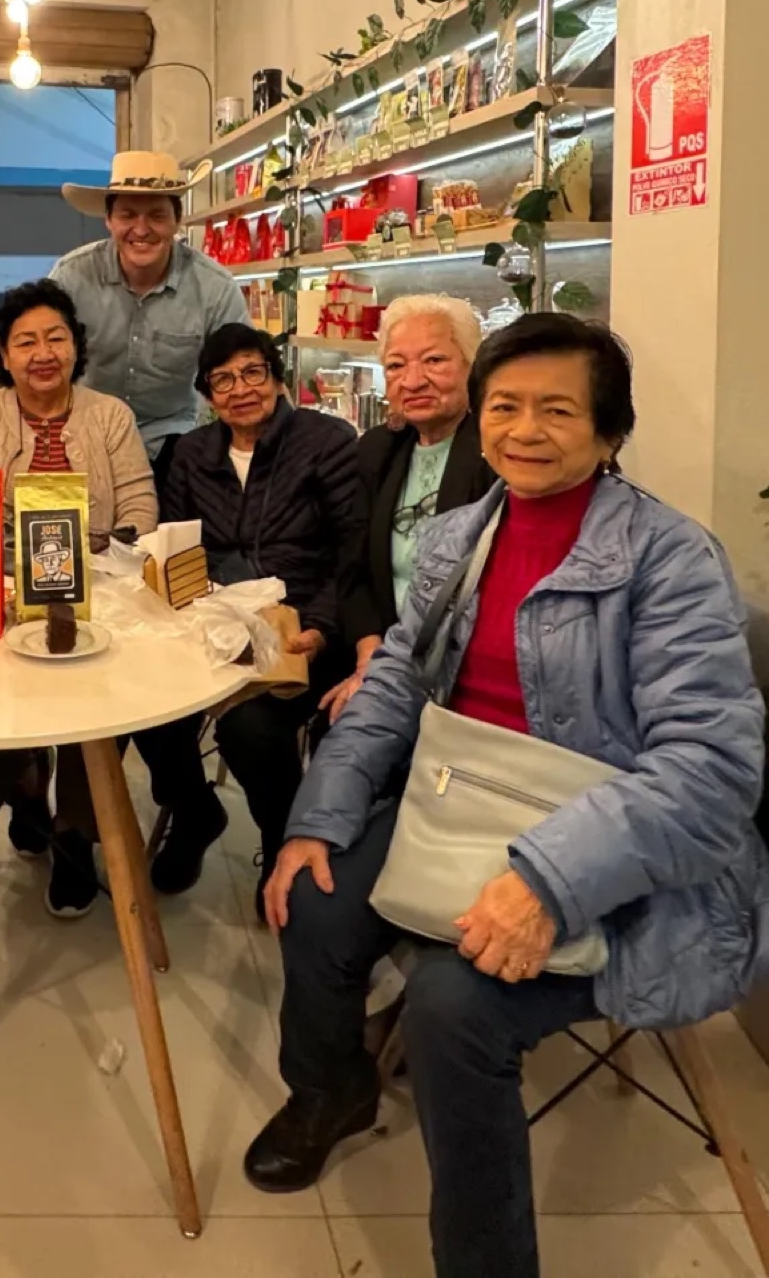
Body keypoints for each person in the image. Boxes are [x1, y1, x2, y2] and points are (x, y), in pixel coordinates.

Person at [243, 312, 769, 1278]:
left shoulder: (669, 558)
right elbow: (397, 685)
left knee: (451, 1003)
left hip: (611, 846)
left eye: (557, 409)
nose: (524, 429)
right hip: (464, 799)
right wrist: (318, 816)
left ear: (610, 431)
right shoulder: (460, 537)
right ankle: (331, 1092)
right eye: (506, 406)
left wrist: (549, 883)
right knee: (313, 900)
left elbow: (711, 772)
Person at [0, 278, 158, 918]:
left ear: (77, 349)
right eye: (25, 341)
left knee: (97, 702)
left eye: (56, 337)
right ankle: (27, 788)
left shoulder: (109, 416)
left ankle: (75, 832)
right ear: (3, 356)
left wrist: (108, 565)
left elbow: (139, 505)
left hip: (99, 591)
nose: (42, 352)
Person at [160, 325, 363, 914]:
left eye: (252, 372)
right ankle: (195, 813)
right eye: (222, 379)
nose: (239, 389)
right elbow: (176, 548)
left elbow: (351, 552)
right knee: (146, 711)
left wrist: (322, 626)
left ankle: (283, 840)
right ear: (207, 394)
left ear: (277, 378)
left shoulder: (326, 442)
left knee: (249, 729)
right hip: (213, 624)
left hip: (303, 628)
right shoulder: (192, 455)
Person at [0, 151, 250, 475]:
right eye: (127, 215)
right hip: (81, 434)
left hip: (171, 443)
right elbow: (33, 334)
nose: (141, 228)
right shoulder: (72, 275)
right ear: (108, 220)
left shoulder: (214, 287)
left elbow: (244, 364)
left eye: (157, 216)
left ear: (177, 221)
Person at [330, 294, 493, 724]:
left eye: (435, 361)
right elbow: (354, 570)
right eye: (396, 366)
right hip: (385, 652)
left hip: (466, 667)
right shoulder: (377, 450)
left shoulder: (497, 453)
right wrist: (369, 660)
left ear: (473, 366)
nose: (413, 381)